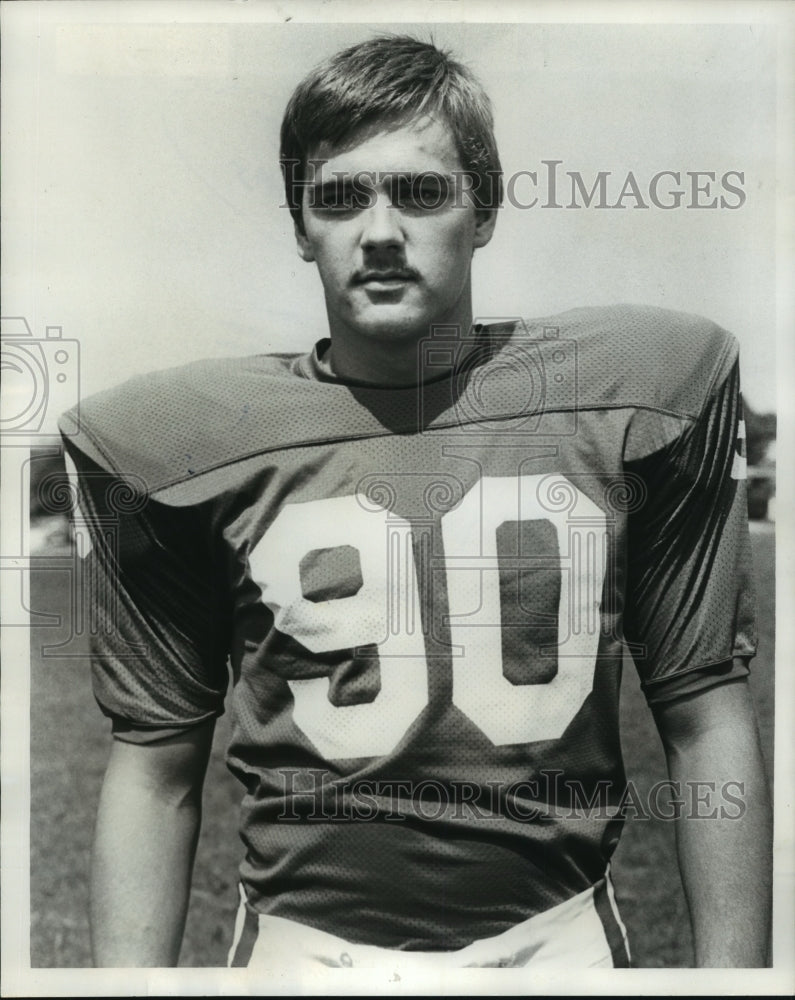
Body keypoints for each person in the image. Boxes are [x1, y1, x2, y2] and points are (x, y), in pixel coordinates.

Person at [60, 35, 771, 971]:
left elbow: (703, 711)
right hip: (306, 954)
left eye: (421, 191)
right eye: (341, 196)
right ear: (299, 224)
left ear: (484, 208)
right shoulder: (181, 446)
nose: (381, 230)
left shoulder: (631, 396)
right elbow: (154, 766)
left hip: (558, 941)